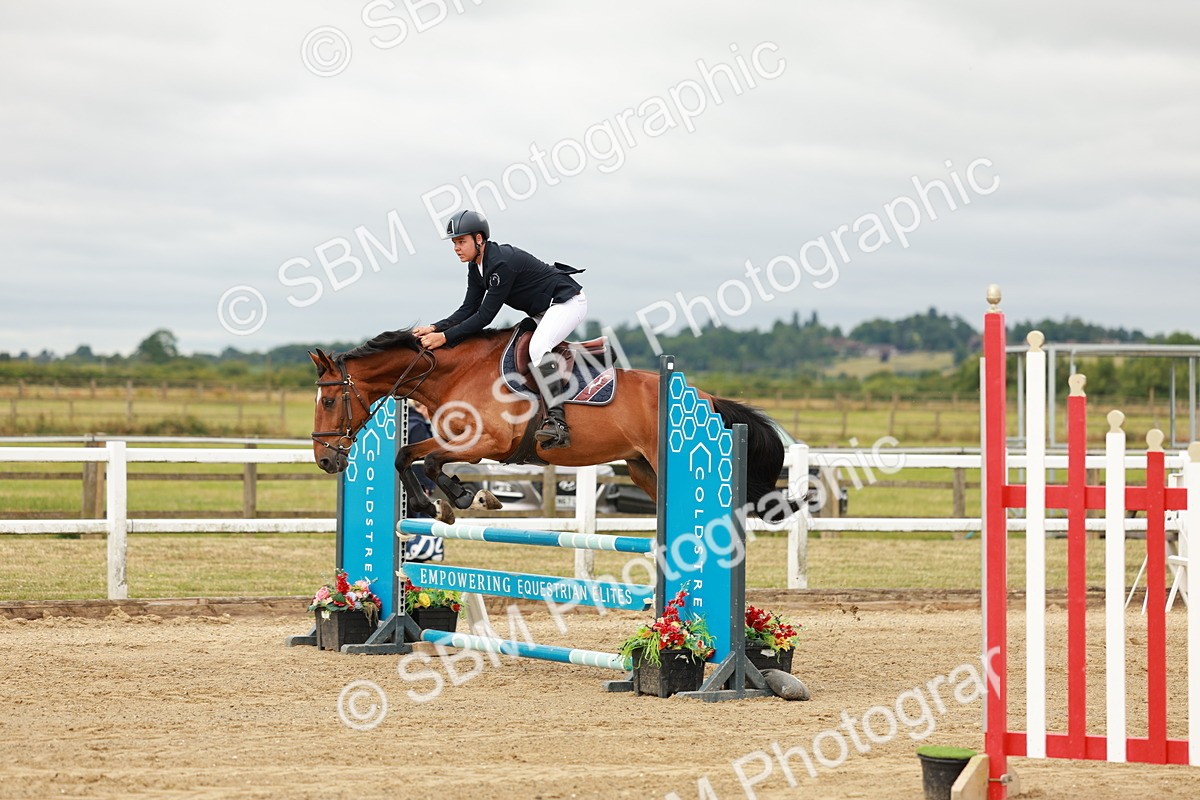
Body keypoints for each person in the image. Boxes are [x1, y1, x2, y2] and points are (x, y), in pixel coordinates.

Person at [413, 209, 587, 449]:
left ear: (479, 239)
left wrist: (444, 337)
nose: (456, 248)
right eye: (454, 243)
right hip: (542, 311)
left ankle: (557, 421)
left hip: (566, 302)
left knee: (538, 348)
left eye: (461, 241)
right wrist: (434, 327)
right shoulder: (477, 267)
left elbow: (484, 316)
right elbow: (468, 309)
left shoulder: (501, 263)